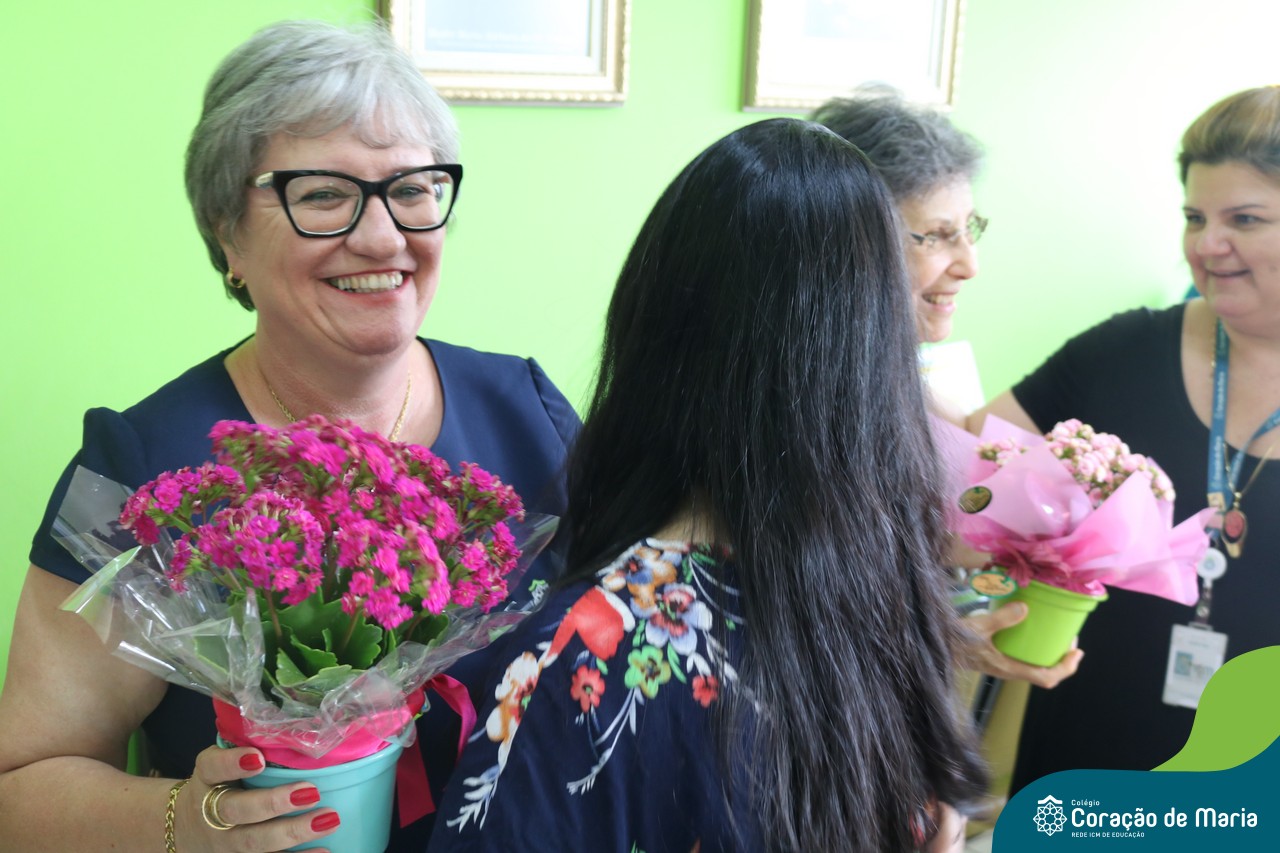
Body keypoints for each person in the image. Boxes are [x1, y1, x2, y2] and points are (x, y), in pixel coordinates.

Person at [0, 20, 579, 853]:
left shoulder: (532, 413)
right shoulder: (134, 466)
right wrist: (188, 823)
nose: (382, 237)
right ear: (226, 232)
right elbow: (21, 787)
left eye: (413, 189)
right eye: (323, 195)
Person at [426, 117, 987, 853]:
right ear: (870, 353)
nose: (967, 263)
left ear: (655, 325)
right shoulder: (881, 599)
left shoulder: (587, 653)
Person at [969, 84, 1280, 791]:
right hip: (1089, 768)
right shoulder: (1120, 352)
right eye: (1195, 217)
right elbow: (962, 481)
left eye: (1245, 219)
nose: (1207, 245)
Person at [812, 87, 1083, 690]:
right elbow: (803, 607)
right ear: (848, 243)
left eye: (970, 229)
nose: (969, 264)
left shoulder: (916, 373)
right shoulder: (802, 403)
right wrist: (940, 638)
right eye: (937, 235)